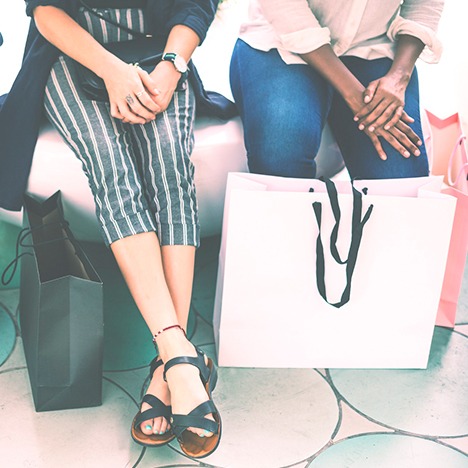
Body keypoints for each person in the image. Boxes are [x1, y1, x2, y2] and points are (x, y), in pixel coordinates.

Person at [0, 0, 222, 459]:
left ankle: (169, 365)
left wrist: (173, 65)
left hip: (161, 52)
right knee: (110, 165)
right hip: (72, 52)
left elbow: (198, 4)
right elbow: (43, 9)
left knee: (171, 167)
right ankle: (181, 360)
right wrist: (113, 71)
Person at [230, 0, 445, 181]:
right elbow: (285, 8)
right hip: (280, 41)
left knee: (400, 182)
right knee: (282, 155)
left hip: (371, 45)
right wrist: (355, 95)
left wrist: (399, 76)